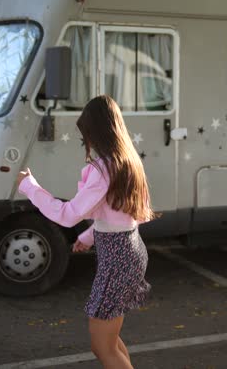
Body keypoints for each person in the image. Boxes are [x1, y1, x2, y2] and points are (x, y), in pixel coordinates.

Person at [17, 95, 156, 369]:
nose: (86, 142)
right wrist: (88, 236)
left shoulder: (103, 168)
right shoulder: (128, 161)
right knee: (111, 342)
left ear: (97, 133)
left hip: (117, 260)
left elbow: (67, 216)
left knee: (102, 346)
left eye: (86, 136)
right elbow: (122, 215)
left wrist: (30, 187)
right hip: (130, 251)